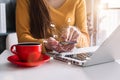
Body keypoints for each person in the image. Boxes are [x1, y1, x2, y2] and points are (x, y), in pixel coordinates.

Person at [16, 0, 90, 53]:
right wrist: (45, 44)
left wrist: (77, 36)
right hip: (38, 61)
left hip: (68, 61)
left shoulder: (78, 1)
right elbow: (22, 38)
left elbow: (86, 42)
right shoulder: (25, 1)